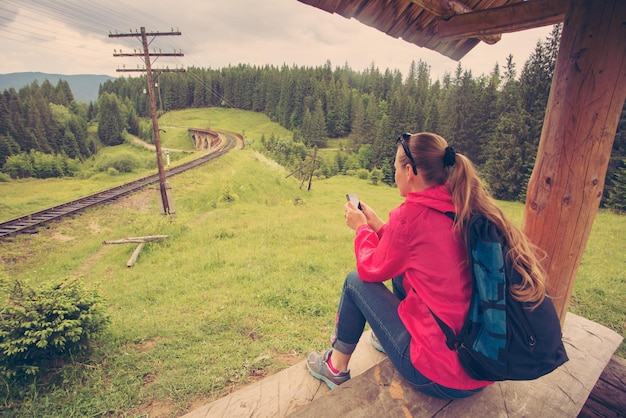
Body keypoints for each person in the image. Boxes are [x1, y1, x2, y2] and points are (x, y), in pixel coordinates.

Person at [306, 132, 548, 399]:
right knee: (402, 275)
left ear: (409, 170)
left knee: (355, 282)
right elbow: (410, 253)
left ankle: (335, 366)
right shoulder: (461, 205)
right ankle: (392, 336)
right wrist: (376, 225)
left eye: (395, 167)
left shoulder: (411, 217)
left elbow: (369, 268)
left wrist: (362, 228)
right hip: (481, 366)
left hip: (438, 376)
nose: (395, 173)